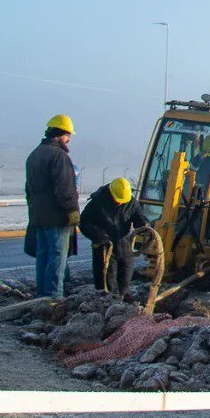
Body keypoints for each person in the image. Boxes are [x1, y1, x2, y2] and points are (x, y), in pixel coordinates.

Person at [24, 114, 80, 298]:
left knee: (43, 256)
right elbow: (65, 189)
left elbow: (29, 190)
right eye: (68, 135)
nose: (69, 139)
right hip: (57, 217)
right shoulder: (59, 156)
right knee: (57, 257)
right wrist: (72, 211)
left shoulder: (34, 154)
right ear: (59, 134)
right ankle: (54, 297)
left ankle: (42, 294)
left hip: (38, 216)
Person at [80, 177, 147, 299]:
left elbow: (139, 219)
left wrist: (144, 226)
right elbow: (84, 223)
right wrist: (99, 235)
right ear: (111, 193)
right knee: (106, 281)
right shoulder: (97, 202)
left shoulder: (132, 203)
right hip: (104, 247)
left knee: (126, 276)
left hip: (124, 244)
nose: (120, 203)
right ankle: (105, 304)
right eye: (118, 200)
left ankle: (121, 299)